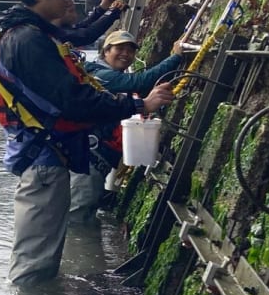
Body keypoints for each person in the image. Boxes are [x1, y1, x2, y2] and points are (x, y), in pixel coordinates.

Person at [0, 0, 175, 285]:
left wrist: (106, 13)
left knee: (42, 258)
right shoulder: (27, 41)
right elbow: (73, 101)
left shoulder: (34, 35)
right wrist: (139, 104)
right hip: (43, 160)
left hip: (47, 158)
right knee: (33, 267)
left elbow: (79, 36)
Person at [69, 30, 188, 220]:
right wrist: (175, 57)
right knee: (77, 218)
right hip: (88, 162)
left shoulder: (108, 76)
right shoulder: (101, 75)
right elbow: (140, 81)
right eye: (119, 48)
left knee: (84, 215)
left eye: (130, 51)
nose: (125, 53)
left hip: (97, 161)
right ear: (105, 51)